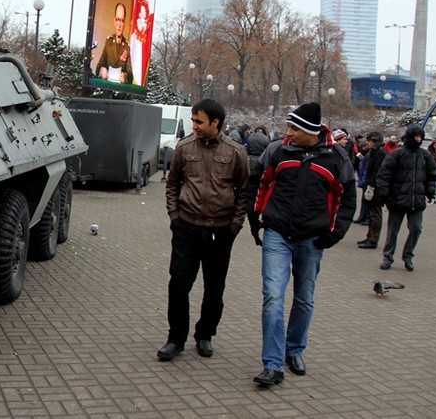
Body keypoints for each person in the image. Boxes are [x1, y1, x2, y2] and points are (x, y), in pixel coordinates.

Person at [247, 102, 356, 386]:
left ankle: (294, 349)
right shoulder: (276, 150)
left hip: (312, 239)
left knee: (304, 298)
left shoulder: (337, 158)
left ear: (311, 131)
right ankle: (272, 363)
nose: (289, 132)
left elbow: (347, 200)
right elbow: (256, 182)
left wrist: (334, 234)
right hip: (277, 234)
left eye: (295, 128)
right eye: (288, 126)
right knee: (272, 296)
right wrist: (255, 217)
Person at [158, 98, 249, 361]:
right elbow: (173, 184)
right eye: (193, 120)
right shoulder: (184, 147)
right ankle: (176, 338)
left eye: (199, 121)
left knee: (214, 288)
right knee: (178, 285)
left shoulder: (235, 152)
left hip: (220, 231)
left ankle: (205, 335)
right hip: (186, 228)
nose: (194, 126)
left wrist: (235, 225)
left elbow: (243, 191)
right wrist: (174, 217)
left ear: (215, 122)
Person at [375, 124, 436, 271]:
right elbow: (384, 174)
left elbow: (432, 175)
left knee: (416, 229)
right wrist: (383, 193)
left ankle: (408, 256)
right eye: (416, 137)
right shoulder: (397, 154)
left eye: (420, 137)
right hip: (397, 199)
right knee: (392, 231)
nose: (418, 139)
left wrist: (430, 191)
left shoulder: (425, 155)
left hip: (417, 200)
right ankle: (387, 257)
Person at [357, 131, 387, 249]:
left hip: (376, 187)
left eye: (369, 140)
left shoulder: (380, 154)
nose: (367, 143)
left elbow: (377, 172)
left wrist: (371, 186)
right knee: (372, 213)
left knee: (375, 214)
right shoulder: (374, 152)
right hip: (371, 185)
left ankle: (373, 239)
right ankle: (370, 237)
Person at [95, 2, 133, 84]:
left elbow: (130, 74)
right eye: (117, 19)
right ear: (114, 21)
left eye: (122, 21)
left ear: (124, 23)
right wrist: (102, 70)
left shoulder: (127, 46)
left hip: (120, 90)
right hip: (107, 86)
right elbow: (98, 67)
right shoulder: (109, 41)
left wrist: (125, 76)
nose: (119, 24)